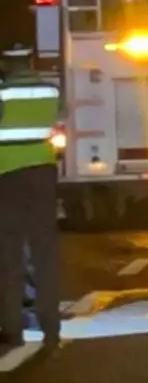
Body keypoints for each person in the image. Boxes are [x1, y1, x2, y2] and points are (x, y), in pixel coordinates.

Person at [0, 43, 62, 363]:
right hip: (42, 173)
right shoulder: (49, 90)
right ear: (31, 61)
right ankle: (52, 328)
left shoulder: (2, 92)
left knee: (9, 254)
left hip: (7, 175)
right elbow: (59, 123)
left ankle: (13, 328)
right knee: (44, 253)